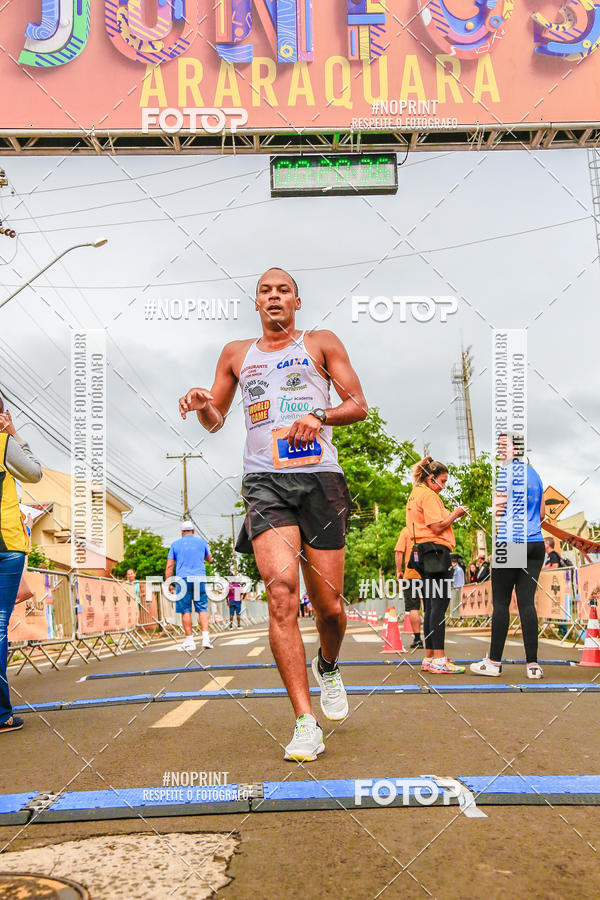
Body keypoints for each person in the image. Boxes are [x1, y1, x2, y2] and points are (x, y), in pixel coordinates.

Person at [179, 267, 368, 761]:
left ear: (296, 302)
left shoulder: (321, 342)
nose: (274, 296)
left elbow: (358, 405)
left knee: (330, 608)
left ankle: (328, 665)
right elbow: (216, 421)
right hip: (265, 482)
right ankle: (305, 722)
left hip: (320, 478)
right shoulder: (236, 354)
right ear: (256, 302)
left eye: (283, 290)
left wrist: (319, 415)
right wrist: (202, 403)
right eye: (266, 290)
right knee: (281, 594)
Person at [471, 434, 546, 680]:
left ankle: (494, 662)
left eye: (505, 445)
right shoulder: (535, 475)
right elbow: (542, 514)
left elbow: (499, 510)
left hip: (511, 540)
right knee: (527, 603)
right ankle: (532, 665)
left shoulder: (505, 473)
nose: (500, 449)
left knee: (501, 603)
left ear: (516, 449)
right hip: (535, 542)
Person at [0, 398, 42, 734]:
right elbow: (34, 472)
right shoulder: (3, 442)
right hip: (6, 542)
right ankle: (1, 715)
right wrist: (12, 431)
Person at [405, 456, 468, 674]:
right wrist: (455, 514)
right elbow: (437, 526)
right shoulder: (429, 495)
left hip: (422, 551)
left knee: (431, 606)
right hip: (435, 551)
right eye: (442, 481)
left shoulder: (415, 494)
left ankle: (430, 656)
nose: (444, 486)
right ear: (431, 478)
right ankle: (439, 658)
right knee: (438, 606)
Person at [165, 521, 214, 651]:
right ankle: (206, 639)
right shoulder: (201, 542)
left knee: (185, 610)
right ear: (193, 531)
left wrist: (169, 582)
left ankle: (190, 641)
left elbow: (170, 565)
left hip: (182, 579)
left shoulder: (175, 544)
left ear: (182, 532)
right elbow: (210, 559)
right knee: (202, 608)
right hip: (199, 577)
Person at [394, 525, 423, 649]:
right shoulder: (428, 529)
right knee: (431, 607)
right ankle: (433, 639)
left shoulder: (406, 531)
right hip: (429, 573)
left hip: (411, 574)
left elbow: (399, 552)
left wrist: (399, 570)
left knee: (413, 607)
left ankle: (418, 639)